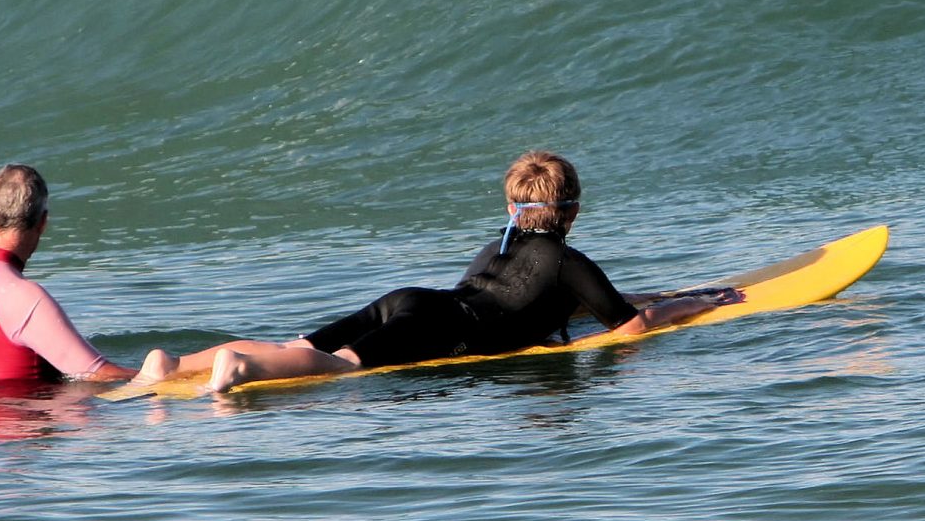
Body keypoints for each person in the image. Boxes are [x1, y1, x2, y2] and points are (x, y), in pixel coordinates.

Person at [144, 151, 740, 393]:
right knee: (335, 368)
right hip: (439, 328)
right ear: (574, 213)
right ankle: (239, 367)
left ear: (514, 209)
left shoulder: (497, 248)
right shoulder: (566, 260)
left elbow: (568, 302)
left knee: (299, 345)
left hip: (412, 300)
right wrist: (695, 304)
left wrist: (668, 292)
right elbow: (628, 328)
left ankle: (175, 364)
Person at [0, 163, 163, 384]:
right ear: (42, 223)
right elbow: (97, 373)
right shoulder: (21, 295)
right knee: (158, 376)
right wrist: (169, 377)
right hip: (17, 424)